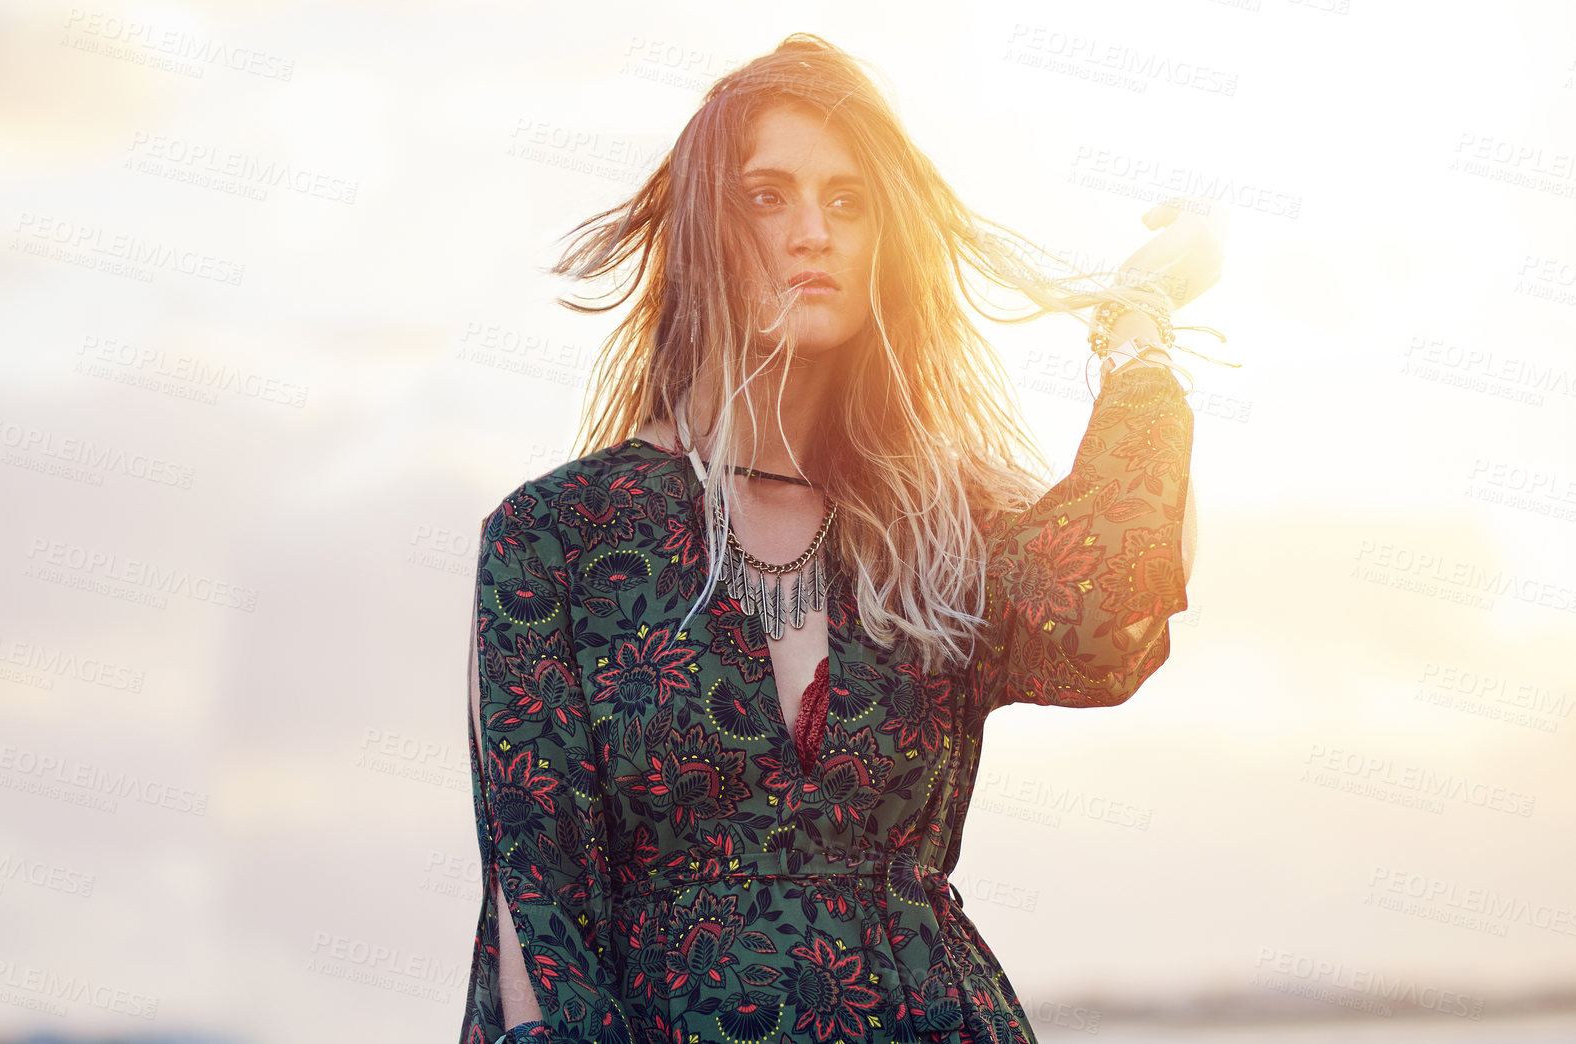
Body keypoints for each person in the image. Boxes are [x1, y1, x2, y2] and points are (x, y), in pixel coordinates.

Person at [460, 33, 1224, 1044]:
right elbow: (538, 907)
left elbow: (1107, 605)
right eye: (767, 196)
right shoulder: (557, 538)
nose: (812, 231)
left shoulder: (938, 524)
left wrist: (1138, 336)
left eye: (849, 201)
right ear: (704, 231)